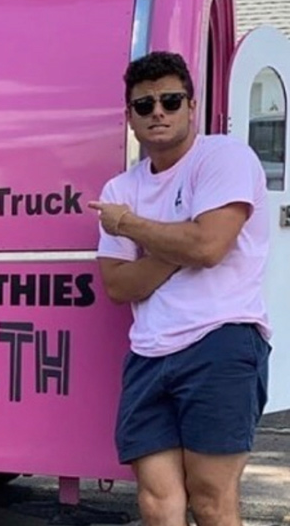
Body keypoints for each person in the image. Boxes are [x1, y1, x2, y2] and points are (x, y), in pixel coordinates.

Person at [88, 51, 271, 526]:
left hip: (221, 340)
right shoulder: (118, 188)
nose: (158, 113)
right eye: (144, 105)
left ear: (192, 106)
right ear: (129, 118)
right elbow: (118, 284)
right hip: (148, 354)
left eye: (170, 100)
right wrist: (180, 240)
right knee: (156, 501)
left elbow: (209, 246)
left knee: (211, 499)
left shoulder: (224, 158)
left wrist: (131, 226)